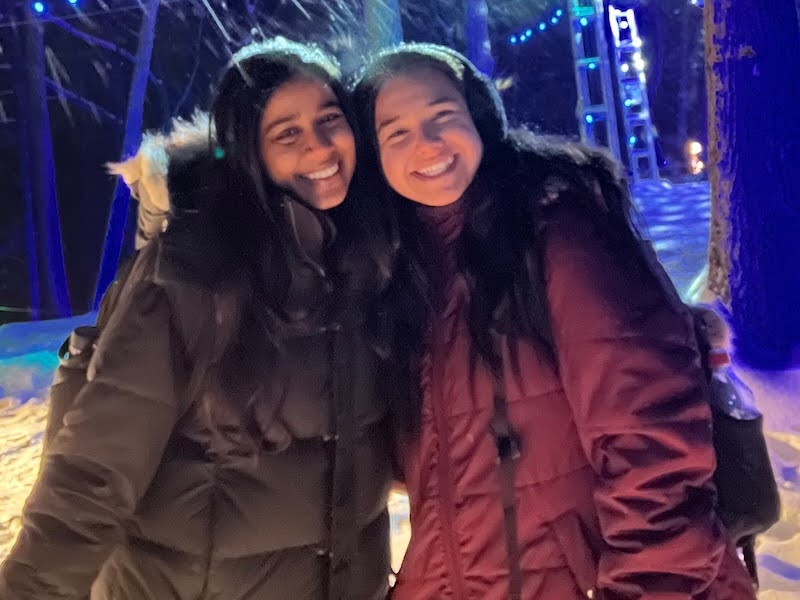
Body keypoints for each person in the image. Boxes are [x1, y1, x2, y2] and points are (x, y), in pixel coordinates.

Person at [353, 44, 756, 600]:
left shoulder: (555, 228)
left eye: (442, 116)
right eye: (395, 132)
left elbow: (648, 431)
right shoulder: (401, 275)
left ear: (480, 119)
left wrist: (649, 587)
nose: (425, 143)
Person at [0, 38, 395, 600]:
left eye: (331, 120)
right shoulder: (193, 273)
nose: (321, 147)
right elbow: (93, 475)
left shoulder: (368, 263)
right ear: (247, 154)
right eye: (287, 133)